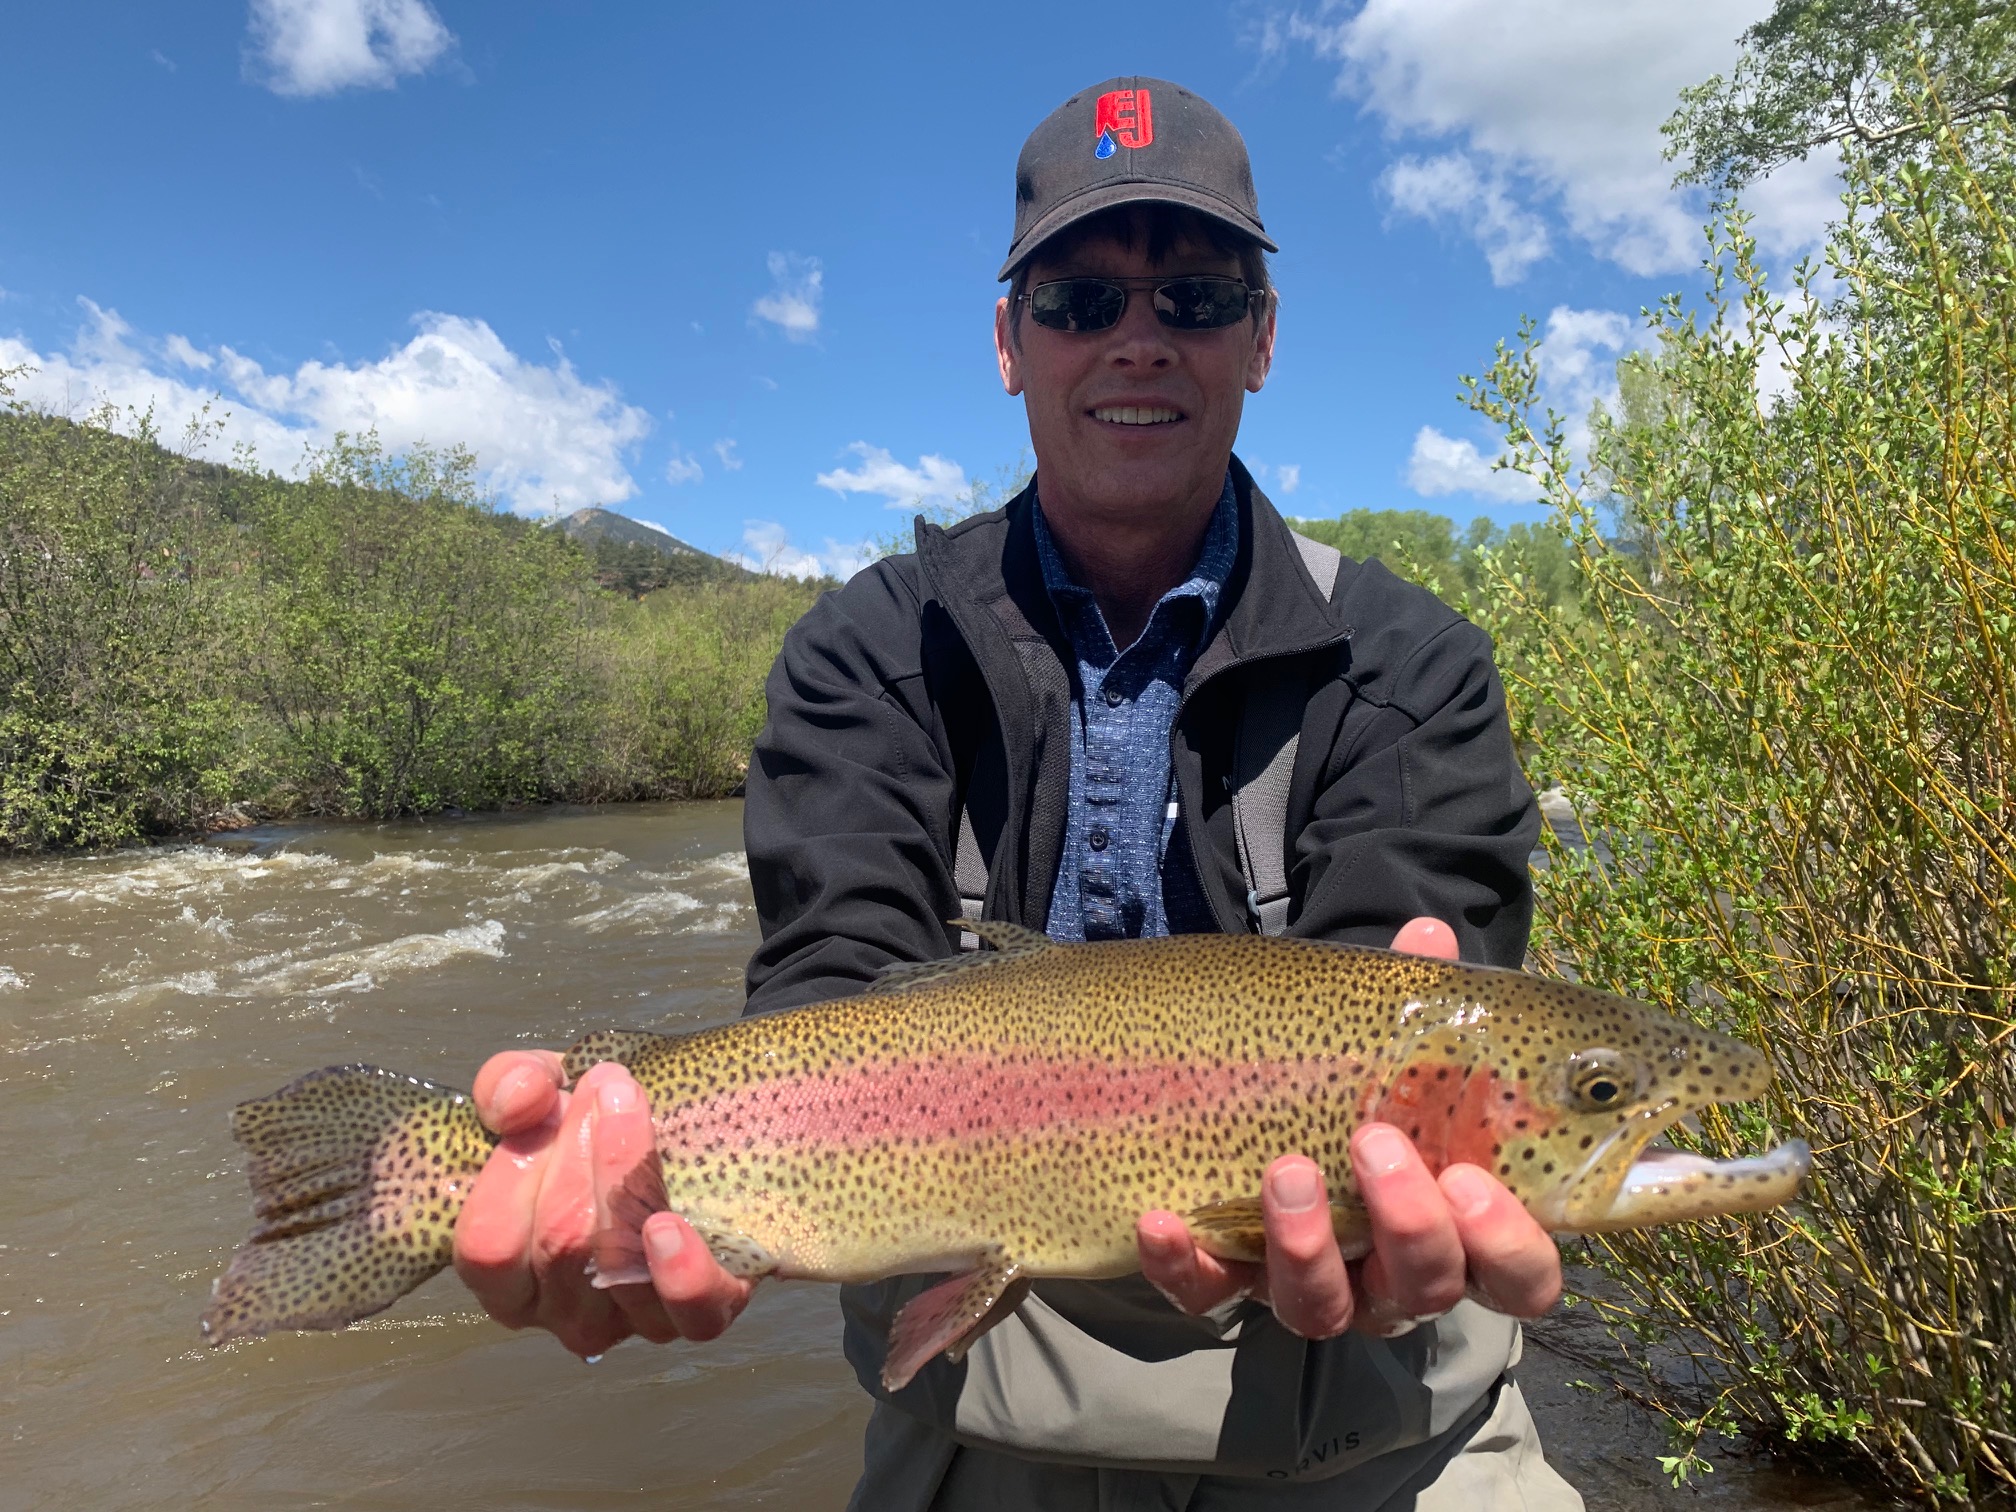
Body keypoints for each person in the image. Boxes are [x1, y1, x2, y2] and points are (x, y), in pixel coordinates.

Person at [453, 77, 1581, 1510]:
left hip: (1382, 1432)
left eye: (1194, 296)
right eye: (1080, 299)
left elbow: (1404, 1024)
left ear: (1261, 337)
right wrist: (632, 1181)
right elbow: (830, 988)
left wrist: (1381, 1199)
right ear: (1010, 342)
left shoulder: (1410, 665)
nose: (1138, 339)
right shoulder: (868, 652)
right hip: (984, 1427)